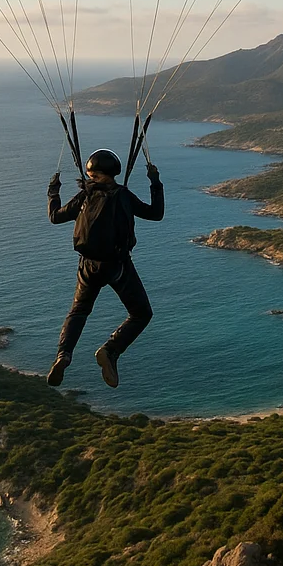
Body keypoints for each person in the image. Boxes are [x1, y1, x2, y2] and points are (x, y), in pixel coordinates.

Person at [46, 148, 164, 388]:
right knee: (141, 314)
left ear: (92, 174)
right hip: (117, 265)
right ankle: (110, 350)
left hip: (88, 267)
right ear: (113, 173)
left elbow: (55, 217)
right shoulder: (123, 195)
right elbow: (156, 214)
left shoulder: (84, 196)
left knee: (78, 312)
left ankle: (63, 355)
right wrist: (155, 182)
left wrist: (53, 192)